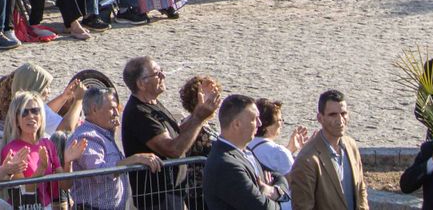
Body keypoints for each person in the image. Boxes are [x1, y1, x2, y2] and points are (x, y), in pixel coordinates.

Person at [121, 56, 219, 210]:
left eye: (161, 71)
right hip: (157, 198)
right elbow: (173, 149)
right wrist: (199, 118)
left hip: (174, 192)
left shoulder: (153, 104)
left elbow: (178, 134)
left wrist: (198, 112)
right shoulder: (139, 113)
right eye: (157, 74)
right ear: (141, 83)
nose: (163, 76)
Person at [67, 85, 161, 210]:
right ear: (94, 109)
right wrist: (135, 159)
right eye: (112, 108)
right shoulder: (87, 137)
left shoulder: (102, 133)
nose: (117, 113)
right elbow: (100, 172)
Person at [204, 94, 284, 210]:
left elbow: (279, 177)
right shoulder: (225, 164)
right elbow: (262, 207)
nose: (260, 124)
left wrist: (274, 191)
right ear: (237, 124)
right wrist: (284, 203)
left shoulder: (244, 151)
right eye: (254, 119)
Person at [291, 91, 367, 210]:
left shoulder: (351, 145)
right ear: (320, 118)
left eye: (343, 113)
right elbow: (303, 206)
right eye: (333, 114)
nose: (340, 120)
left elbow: (361, 190)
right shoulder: (307, 159)